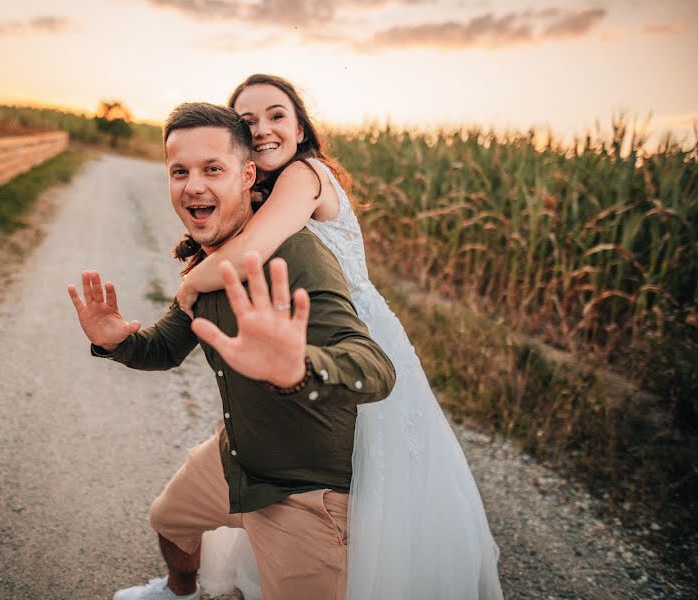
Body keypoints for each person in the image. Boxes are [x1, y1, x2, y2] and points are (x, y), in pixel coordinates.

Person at [176, 74, 505, 599]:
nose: (262, 128)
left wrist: (191, 283)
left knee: (371, 472)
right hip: (309, 333)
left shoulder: (305, 174)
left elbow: (254, 248)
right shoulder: (264, 185)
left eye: (277, 115)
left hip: (351, 335)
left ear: (301, 126)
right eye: (248, 120)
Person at [67, 101, 397, 600]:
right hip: (235, 460)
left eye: (211, 169)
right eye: (180, 171)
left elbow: (375, 368)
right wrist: (116, 342)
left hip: (305, 492)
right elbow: (164, 347)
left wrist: (298, 370)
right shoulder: (211, 258)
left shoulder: (297, 253)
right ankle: (179, 591)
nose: (193, 185)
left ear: (247, 175)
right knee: (169, 519)